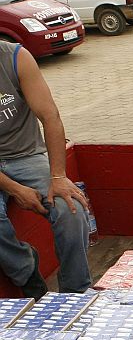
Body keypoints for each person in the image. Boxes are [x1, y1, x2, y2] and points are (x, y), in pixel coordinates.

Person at [0, 41, 91, 299]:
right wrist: (16, 190)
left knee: (70, 208)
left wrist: (58, 177)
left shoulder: (16, 57)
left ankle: (75, 292)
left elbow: (50, 117)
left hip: (27, 155)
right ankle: (27, 273)